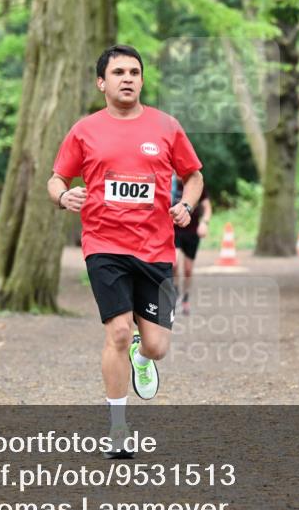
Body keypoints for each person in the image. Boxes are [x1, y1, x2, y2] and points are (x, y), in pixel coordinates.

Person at [48, 45, 204, 457]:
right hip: (104, 245)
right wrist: (64, 197)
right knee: (117, 331)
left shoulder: (166, 127)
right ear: (102, 82)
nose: (128, 78)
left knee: (156, 347)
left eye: (134, 71)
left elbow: (194, 176)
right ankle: (118, 430)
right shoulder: (85, 130)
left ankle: (142, 354)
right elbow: (55, 178)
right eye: (118, 72)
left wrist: (186, 205)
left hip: (155, 249)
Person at [171, 175, 212, 315]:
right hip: (173, 231)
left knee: (188, 270)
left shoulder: (195, 183)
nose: (176, 172)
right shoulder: (169, 185)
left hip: (191, 232)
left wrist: (204, 223)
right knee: (174, 264)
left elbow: (207, 208)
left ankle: (186, 298)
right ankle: (175, 293)